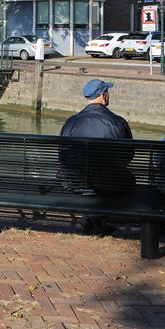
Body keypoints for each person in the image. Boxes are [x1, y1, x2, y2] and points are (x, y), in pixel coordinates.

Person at [59, 79, 134, 233]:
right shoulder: (118, 122)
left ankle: (91, 218)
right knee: (127, 180)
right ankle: (95, 218)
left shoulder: (72, 122)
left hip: (75, 181)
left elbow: (63, 156)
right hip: (109, 183)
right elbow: (127, 156)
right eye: (107, 91)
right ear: (103, 95)